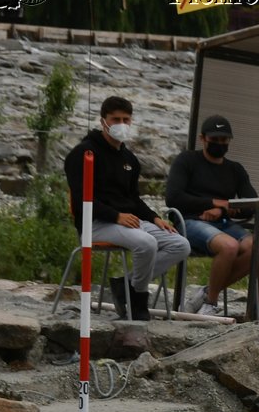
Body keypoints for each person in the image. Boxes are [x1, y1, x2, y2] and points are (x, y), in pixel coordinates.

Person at [63, 95, 190, 322]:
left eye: (126, 119)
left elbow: (133, 199)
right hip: (96, 222)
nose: (121, 124)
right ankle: (138, 298)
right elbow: (82, 199)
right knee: (146, 243)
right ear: (103, 121)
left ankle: (126, 285)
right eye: (115, 119)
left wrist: (154, 217)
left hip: (127, 220)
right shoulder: (83, 153)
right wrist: (116, 216)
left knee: (180, 244)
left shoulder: (130, 158)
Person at [165, 114, 259, 316]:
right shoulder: (187, 160)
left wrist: (221, 209)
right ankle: (210, 303)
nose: (220, 144)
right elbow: (173, 197)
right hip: (190, 221)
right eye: (215, 140)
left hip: (223, 222)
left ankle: (208, 292)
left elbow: (250, 203)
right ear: (203, 139)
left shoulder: (235, 169)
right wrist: (212, 203)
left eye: (224, 140)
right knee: (229, 246)